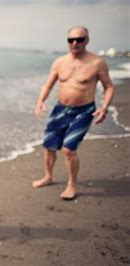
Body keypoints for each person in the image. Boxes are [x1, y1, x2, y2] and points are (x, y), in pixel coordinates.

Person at [33, 26, 114, 200]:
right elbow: (48, 84)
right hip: (60, 109)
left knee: (68, 149)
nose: (75, 43)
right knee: (49, 146)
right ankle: (48, 176)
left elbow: (109, 86)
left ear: (87, 40)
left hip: (83, 111)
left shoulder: (97, 63)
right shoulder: (60, 62)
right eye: (71, 40)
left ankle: (72, 185)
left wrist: (104, 107)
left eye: (80, 39)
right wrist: (40, 101)